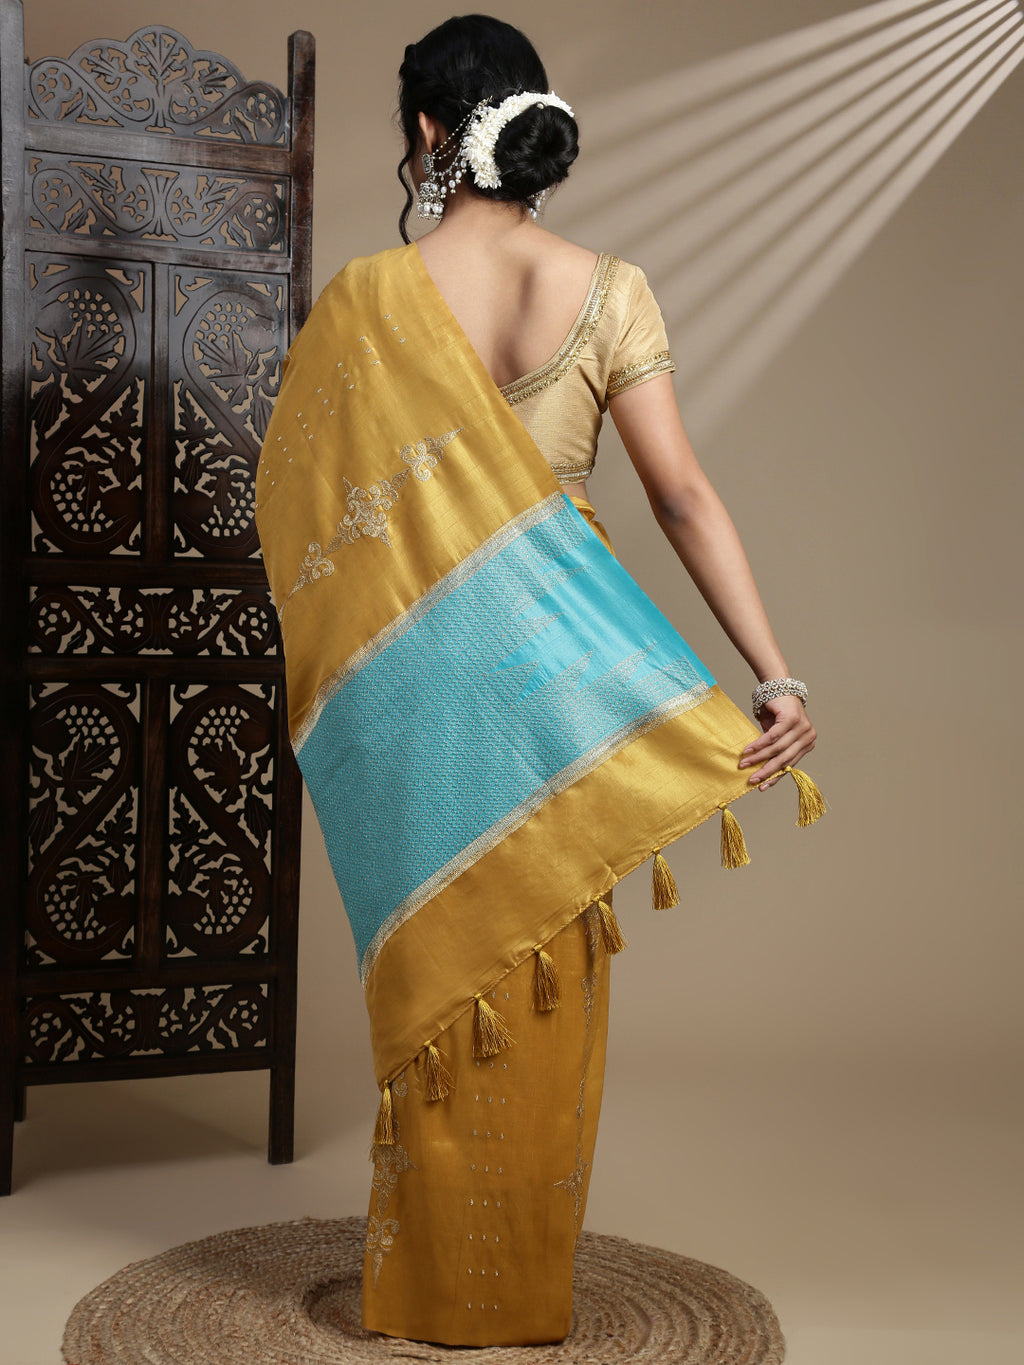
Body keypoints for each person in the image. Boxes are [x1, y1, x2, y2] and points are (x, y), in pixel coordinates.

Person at [254, 14, 823, 1349]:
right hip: (560, 684)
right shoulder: (608, 288)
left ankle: (427, 1289)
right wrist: (775, 671)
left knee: (442, 968)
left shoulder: (366, 302)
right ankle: (517, 1289)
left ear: (427, 132)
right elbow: (681, 496)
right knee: (539, 966)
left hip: (416, 698)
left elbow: (295, 508)